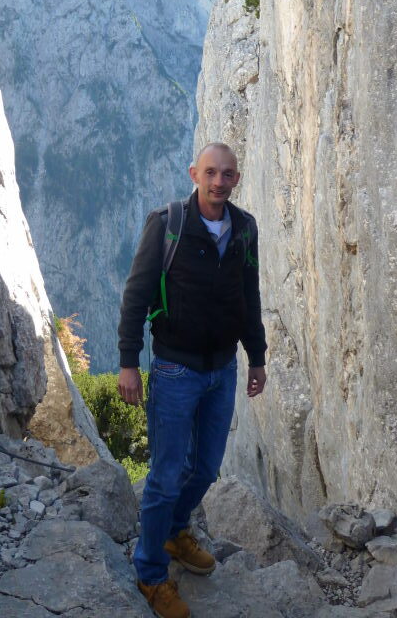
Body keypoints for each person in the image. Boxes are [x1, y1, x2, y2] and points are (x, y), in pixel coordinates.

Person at [117, 142, 267, 618]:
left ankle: (176, 530)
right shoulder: (168, 224)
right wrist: (127, 362)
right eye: (210, 173)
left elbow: (249, 296)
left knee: (204, 468)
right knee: (163, 476)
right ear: (194, 174)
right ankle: (150, 573)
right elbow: (136, 294)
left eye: (227, 174)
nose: (219, 182)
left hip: (222, 369)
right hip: (175, 368)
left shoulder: (244, 229)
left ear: (236, 179)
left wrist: (256, 357)